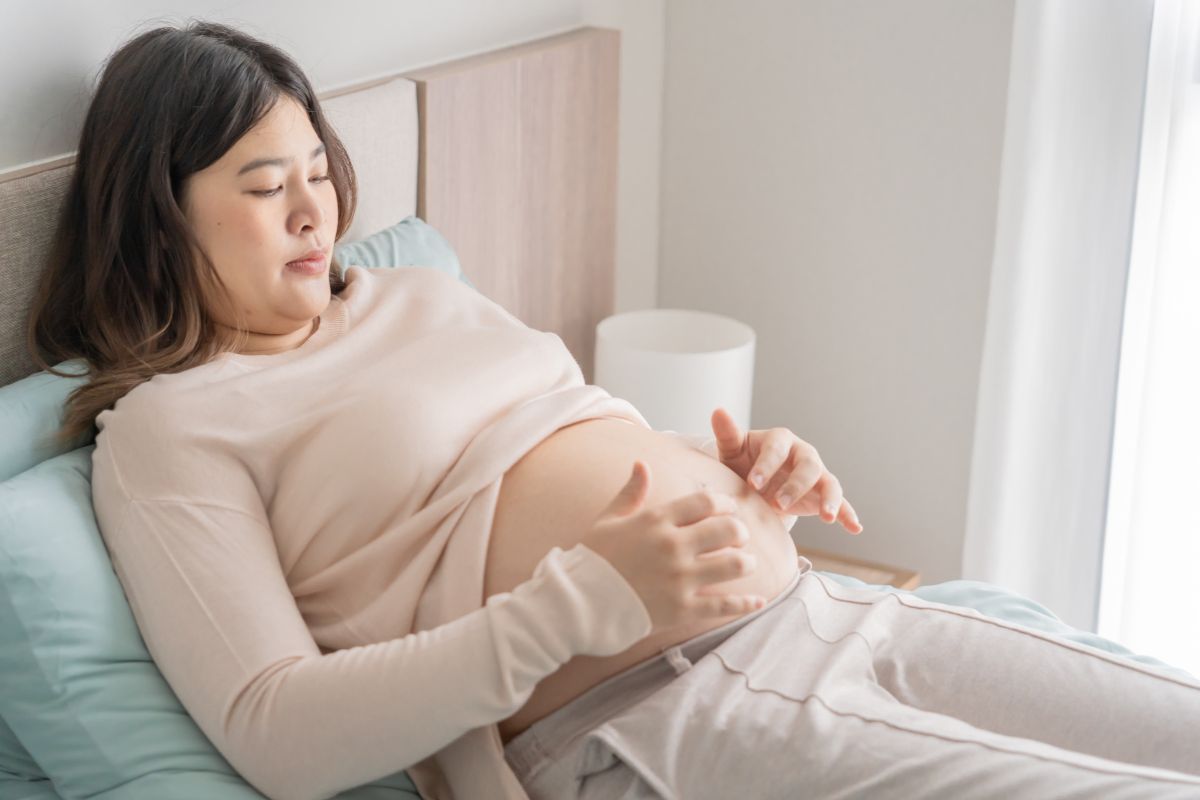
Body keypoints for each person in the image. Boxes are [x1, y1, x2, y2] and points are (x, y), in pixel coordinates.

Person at [27, 19, 1200, 800]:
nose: (312, 213)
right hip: (649, 716)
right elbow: (274, 728)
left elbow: (557, 442)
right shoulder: (172, 428)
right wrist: (575, 602)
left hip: (820, 611)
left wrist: (742, 467)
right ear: (157, 216)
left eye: (319, 172)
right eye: (264, 186)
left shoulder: (413, 288)